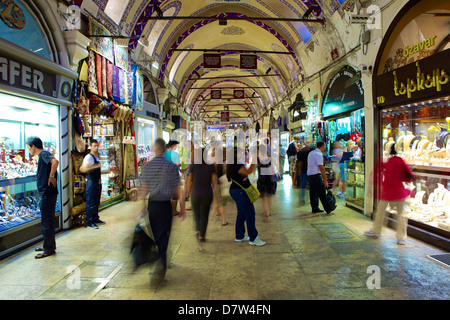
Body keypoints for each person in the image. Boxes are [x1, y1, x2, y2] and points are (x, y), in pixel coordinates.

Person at [139, 138, 185, 283]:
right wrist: (181, 208)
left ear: (155, 150)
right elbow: (177, 190)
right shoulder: (171, 167)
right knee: (164, 236)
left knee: (155, 235)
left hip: (152, 206)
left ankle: (157, 261)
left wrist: (142, 207)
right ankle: (161, 266)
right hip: (166, 206)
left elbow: (143, 189)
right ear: (164, 150)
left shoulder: (147, 166)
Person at [365, 144, 413, 245]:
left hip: (387, 192)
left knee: (380, 213)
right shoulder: (399, 160)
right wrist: (406, 181)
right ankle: (401, 238)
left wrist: (371, 187)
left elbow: (376, 172)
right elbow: (408, 174)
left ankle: (376, 231)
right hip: (400, 192)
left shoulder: (386, 162)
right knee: (401, 216)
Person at [26, 137, 59, 259]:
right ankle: (48, 245)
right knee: (47, 220)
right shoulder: (43, 155)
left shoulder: (43, 153)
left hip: (47, 192)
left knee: (47, 221)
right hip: (47, 192)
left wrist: (51, 176)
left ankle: (48, 249)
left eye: (28, 148)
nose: (28, 150)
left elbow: (55, 162)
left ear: (33, 146)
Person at [227, 148, 266, 246]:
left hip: (237, 191)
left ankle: (239, 235)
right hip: (240, 192)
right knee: (250, 214)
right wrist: (254, 160)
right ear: (235, 154)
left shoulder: (235, 163)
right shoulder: (236, 164)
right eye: (242, 152)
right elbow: (248, 171)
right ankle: (253, 238)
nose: (244, 154)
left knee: (242, 214)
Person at [185, 149, 218, 251]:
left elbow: (190, 180)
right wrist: (217, 194)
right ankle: (202, 235)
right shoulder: (211, 165)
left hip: (196, 193)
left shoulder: (193, 165)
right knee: (205, 214)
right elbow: (214, 182)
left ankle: (197, 230)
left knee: (196, 215)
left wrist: (188, 193)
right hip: (207, 193)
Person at [79, 139, 105, 229]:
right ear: (90, 146)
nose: (96, 147)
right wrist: (95, 166)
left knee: (96, 201)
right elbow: (82, 169)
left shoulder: (97, 157)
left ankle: (95, 218)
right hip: (91, 182)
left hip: (97, 182)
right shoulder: (88, 157)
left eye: (97, 146)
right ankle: (90, 222)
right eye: (94, 146)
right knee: (90, 202)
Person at [307, 141, 336, 214]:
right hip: (316, 175)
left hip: (310, 175)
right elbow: (321, 168)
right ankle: (328, 208)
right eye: (325, 146)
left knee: (313, 192)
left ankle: (315, 208)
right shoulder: (318, 154)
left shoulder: (311, 153)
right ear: (322, 146)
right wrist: (325, 181)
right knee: (322, 192)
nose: (325, 148)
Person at [257, 138, 277, 222]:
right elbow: (275, 166)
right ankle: (268, 211)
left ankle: (266, 212)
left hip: (262, 178)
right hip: (270, 178)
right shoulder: (270, 157)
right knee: (269, 196)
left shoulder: (258, 159)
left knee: (263, 197)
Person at [165, 140, 181, 216]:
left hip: (164, 175)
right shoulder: (175, 154)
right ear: (173, 145)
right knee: (175, 194)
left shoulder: (163, 154)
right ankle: (174, 211)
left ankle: (167, 210)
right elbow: (178, 164)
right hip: (174, 175)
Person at [296, 141, 312, 205]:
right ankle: (302, 199)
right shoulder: (305, 152)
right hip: (306, 170)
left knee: (304, 185)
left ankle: (303, 199)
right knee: (303, 185)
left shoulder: (304, 151)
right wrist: (299, 169)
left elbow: (300, 162)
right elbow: (300, 162)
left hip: (307, 170)